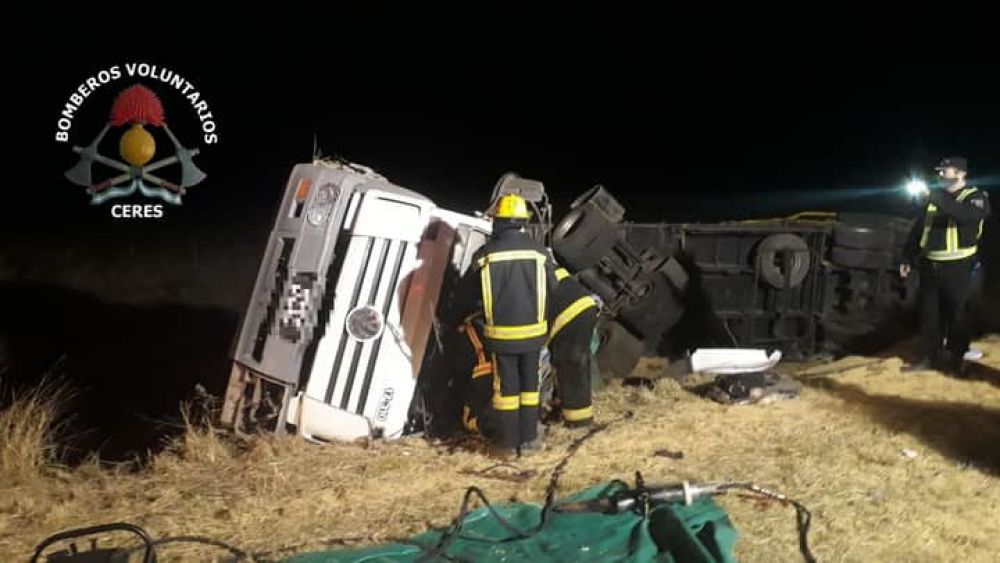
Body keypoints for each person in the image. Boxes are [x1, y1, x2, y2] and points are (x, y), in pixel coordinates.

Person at [446, 194, 558, 457]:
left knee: (507, 390)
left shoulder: (485, 254)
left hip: (501, 337)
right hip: (534, 335)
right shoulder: (539, 253)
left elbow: (466, 294)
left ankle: (507, 445)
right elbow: (553, 289)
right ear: (522, 222)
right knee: (530, 388)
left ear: (500, 222)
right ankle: (529, 442)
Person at [900, 156, 991, 375]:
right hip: (931, 266)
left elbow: (966, 216)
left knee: (957, 314)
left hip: (959, 266)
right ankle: (928, 358)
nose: (940, 175)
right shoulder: (935, 199)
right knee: (929, 315)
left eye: (945, 171)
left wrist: (933, 197)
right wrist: (907, 257)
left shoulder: (976, 197)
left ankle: (955, 361)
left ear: (960, 174)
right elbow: (919, 229)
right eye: (939, 171)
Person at [548, 266, 599, 427]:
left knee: (569, 365)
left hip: (567, 313)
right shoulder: (537, 256)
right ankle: (571, 413)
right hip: (584, 304)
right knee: (575, 364)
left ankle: (578, 422)